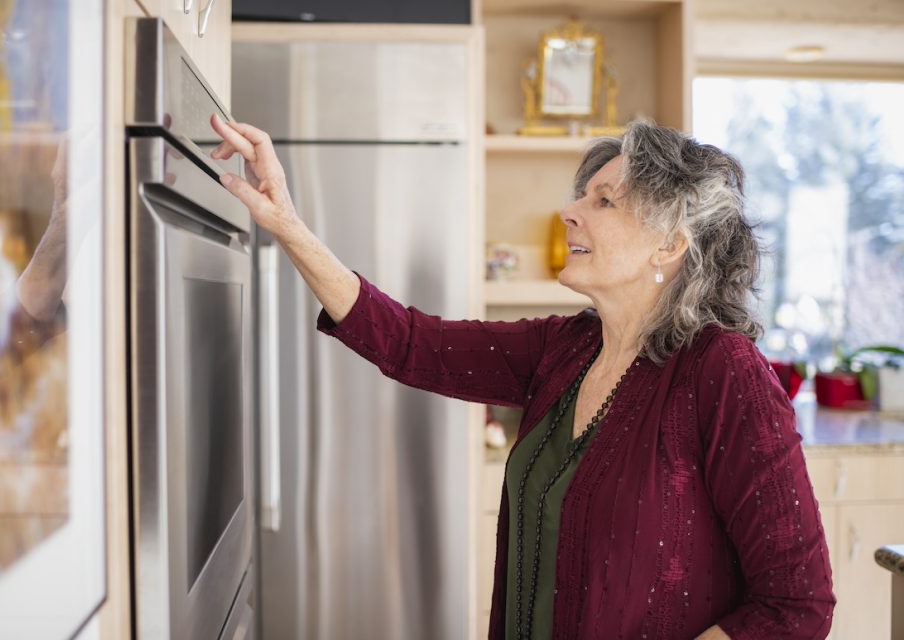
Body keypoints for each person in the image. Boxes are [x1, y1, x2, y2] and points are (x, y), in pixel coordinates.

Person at [209, 114, 836, 639]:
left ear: (669, 244)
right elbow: (407, 341)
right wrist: (287, 224)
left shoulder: (721, 372)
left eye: (604, 201)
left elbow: (796, 605)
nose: (569, 212)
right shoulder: (567, 347)